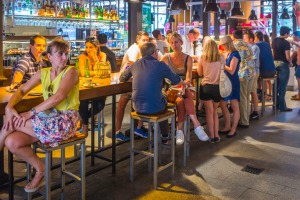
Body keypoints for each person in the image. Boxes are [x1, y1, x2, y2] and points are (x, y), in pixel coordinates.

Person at [0, 38, 79, 192]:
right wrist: (9, 107)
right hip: (47, 120)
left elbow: (58, 97)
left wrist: (30, 112)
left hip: (65, 121)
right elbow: (21, 90)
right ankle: (41, 169)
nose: (64, 57)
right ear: (49, 57)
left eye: (66, 54)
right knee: (11, 141)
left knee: (13, 122)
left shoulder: (71, 72)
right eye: (60, 54)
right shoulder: (43, 73)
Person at [119, 42, 188, 142]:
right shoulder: (160, 65)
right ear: (153, 53)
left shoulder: (136, 64)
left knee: (149, 97)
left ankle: (139, 128)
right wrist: (185, 83)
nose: (157, 52)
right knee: (162, 100)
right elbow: (176, 80)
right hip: (155, 108)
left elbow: (122, 77)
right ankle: (164, 135)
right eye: (157, 50)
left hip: (137, 108)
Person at [161, 32, 209, 145]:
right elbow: (159, 73)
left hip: (185, 89)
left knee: (181, 99)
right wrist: (178, 86)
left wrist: (183, 86)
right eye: (172, 43)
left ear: (181, 42)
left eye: (176, 42)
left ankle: (180, 130)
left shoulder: (188, 58)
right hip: (172, 89)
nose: (174, 45)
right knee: (183, 97)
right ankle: (196, 124)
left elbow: (188, 78)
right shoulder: (166, 58)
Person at [115, 31, 150, 141]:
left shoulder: (141, 49)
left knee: (124, 104)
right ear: (137, 40)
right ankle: (136, 128)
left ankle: (131, 129)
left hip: (132, 80)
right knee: (141, 101)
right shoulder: (134, 49)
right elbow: (135, 67)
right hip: (129, 81)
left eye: (147, 40)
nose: (145, 42)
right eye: (143, 40)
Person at [78, 37, 107, 134]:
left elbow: (102, 70)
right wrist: (96, 72)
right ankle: (85, 125)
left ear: (97, 46)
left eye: (91, 47)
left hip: (99, 86)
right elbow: (82, 73)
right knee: (84, 100)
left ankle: (81, 118)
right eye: (86, 47)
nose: (88, 50)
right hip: (85, 86)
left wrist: (95, 59)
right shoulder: (82, 57)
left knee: (100, 105)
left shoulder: (102, 55)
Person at [197, 39, 223, 143]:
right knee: (215, 112)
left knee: (209, 112)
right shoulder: (221, 57)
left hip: (206, 87)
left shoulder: (202, 58)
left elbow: (199, 73)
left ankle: (211, 136)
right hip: (217, 88)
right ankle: (217, 135)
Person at [232, 30, 255, 128]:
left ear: (233, 37)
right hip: (251, 72)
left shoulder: (236, 45)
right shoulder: (248, 44)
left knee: (242, 98)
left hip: (242, 74)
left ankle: (244, 121)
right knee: (246, 97)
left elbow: (234, 60)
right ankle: (245, 119)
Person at [218, 35, 241, 138]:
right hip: (227, 82)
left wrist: (222, 65)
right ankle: (227, 125)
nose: (222, 47)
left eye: (223, 45)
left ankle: (233, 129)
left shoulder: (235, 54)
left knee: (234, 105)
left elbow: (232, 70)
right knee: (222, 103)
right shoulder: (229, 54)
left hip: (232, 82)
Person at [272, 26, 293, 112]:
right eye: (288, 33)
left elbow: (273, 53)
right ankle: (283, 106)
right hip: (283, 64)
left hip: (274, 63)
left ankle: (275, 104)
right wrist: (290, 63)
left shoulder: (274, 40)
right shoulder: (286, 43)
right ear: (286, 33)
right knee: (283, 87)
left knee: (275, 85)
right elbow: (287, 57)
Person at [254, 31, 276, 101]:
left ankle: (259, 95)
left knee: (257, 77)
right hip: (272, 70)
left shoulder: (255, 45)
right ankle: (263, 94)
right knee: (259, 77)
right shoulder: (267, 44)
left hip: (264, 71)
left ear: (256, 37)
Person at [244, 31, 260, 120]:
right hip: (250, 71)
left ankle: (254, 112)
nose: (244, 41)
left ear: (251, 39)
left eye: (245, 39)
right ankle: (254, 111)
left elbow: (252, 61)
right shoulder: (248, 48)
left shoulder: (254, 47)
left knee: (251, 91)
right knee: (252, 91)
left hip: (254, 71)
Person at [290, 31, 300, 101]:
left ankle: (299, 95)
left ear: (297, 36)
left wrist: (289, 60)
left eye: (293, 36)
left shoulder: (298, 43)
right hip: (297, 63)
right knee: (298, 78)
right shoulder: (297, 44)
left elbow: (295, 53)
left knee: (299, 79)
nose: (292, 37)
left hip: (299, 63)